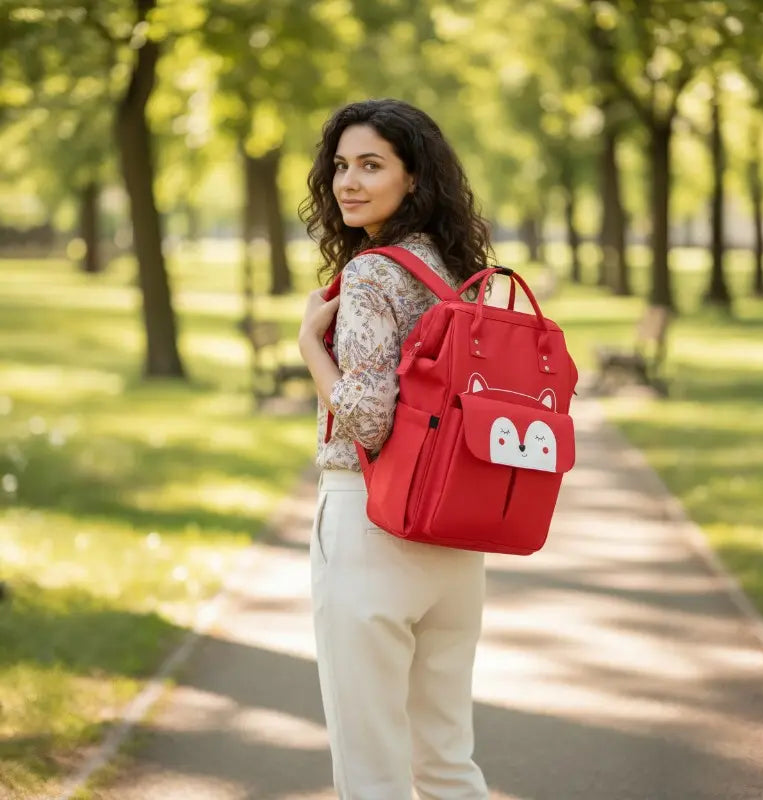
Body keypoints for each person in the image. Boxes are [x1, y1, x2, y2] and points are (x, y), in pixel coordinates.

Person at [297, 98, 494, 800]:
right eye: (342, 165)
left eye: (371, 165)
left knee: (372, 765)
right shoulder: (455, 272)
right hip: (454, 531)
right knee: (445, 758)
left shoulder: (373, 274)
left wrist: (308, 350)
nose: (349, 181)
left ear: (413, 178)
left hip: (370, 521)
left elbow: (365, 418)